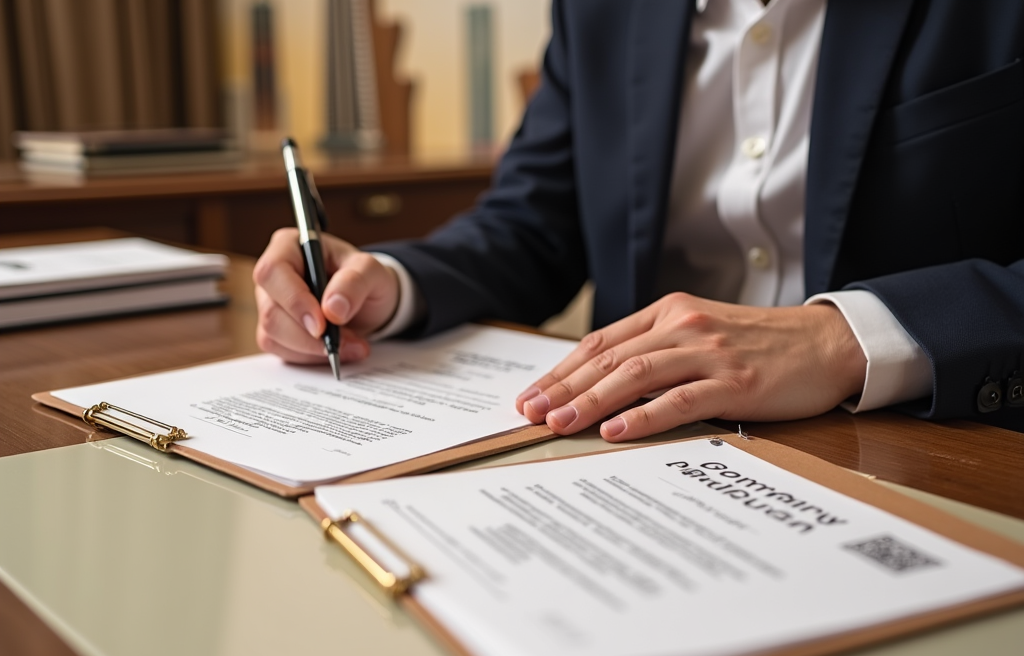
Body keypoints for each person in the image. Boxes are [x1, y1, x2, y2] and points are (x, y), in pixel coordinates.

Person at [254, 0, 1024, 438]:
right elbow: (532, 224)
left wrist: (843, 340)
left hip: (924, 451)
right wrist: (387, 285)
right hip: (628, 451)